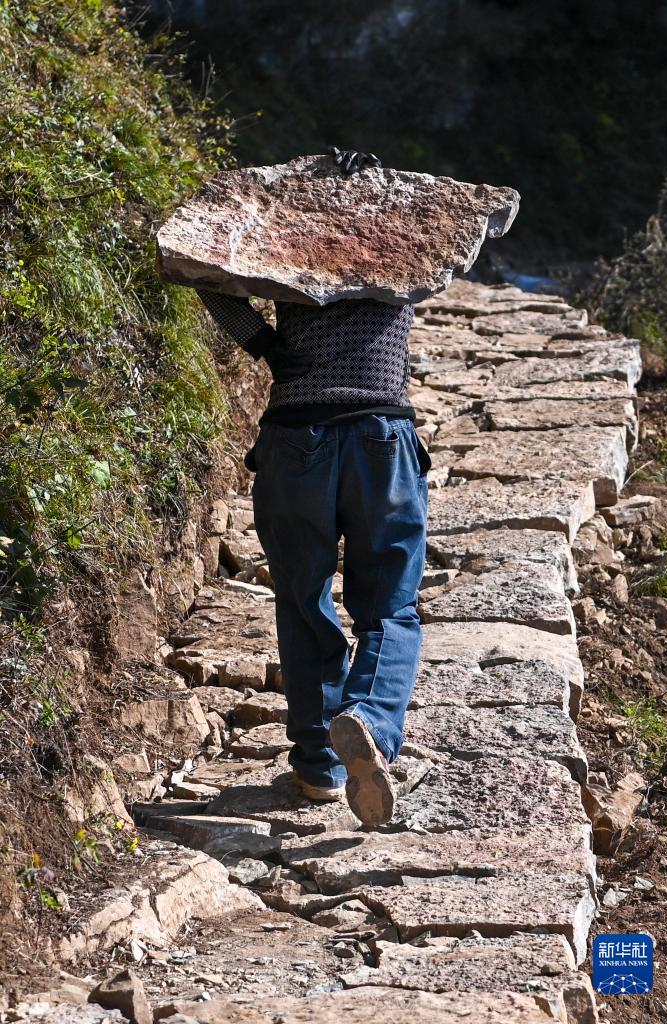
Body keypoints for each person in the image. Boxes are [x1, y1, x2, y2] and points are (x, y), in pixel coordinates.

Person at [196, 149, 431, 827]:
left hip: (295, 437)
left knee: (303, 604)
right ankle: (370, 722)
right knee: (389, 606)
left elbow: (203, 271)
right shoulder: (409, 241)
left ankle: (318, 767)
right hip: (381, 436)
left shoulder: (287, 239)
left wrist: (266, 345)